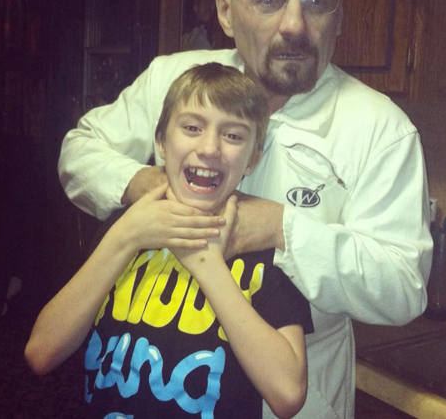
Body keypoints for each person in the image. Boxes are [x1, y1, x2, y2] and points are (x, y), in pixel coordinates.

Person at [58, 0, 433, 419]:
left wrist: (281, 228)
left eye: (317, 1)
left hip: (294, 397)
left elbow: (403, 287)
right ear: (225, 12)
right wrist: (147, 185)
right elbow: (79, 151)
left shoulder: (382, 130)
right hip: (153, 383)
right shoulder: (173, 79)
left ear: (338, 17)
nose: (295, 24)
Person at [26, 63, 314, 419]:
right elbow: (41, 352)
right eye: (192, 128)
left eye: (233, 136)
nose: (209, 148)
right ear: (161, 141)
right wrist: (125, 237)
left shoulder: (264, 250)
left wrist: (209, 267)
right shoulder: (124, 228)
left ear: (252, 159)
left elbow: (288, 395)